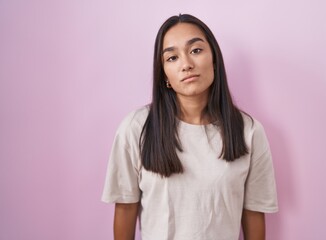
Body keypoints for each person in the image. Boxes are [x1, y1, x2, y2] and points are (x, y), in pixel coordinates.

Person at [102, 14, 278, 240]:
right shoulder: (136, 128)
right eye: (172, 58)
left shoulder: (249, 131)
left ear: (214, 59)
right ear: (164, 74)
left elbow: (253, 214)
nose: (186, 64)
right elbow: (125, 209)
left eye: (195, 50)